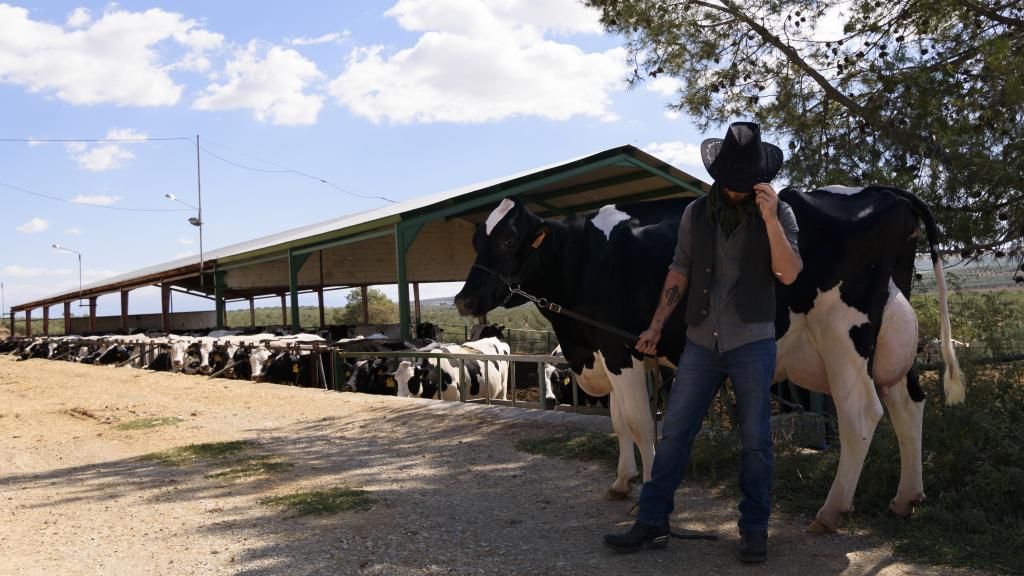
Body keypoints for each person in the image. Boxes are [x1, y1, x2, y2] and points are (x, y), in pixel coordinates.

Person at [603, 121, 802, 563]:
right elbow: (680, 270)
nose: (736, 190)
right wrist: (656, 325)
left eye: (744, 182)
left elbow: (788, 272)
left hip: (753, 341)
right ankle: (653, 522)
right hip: (699, 341)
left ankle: (754, 529)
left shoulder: (780, 213)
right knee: (674, 435)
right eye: (729, 182)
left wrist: (769, 219)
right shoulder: (696, 213)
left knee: (755, 440)